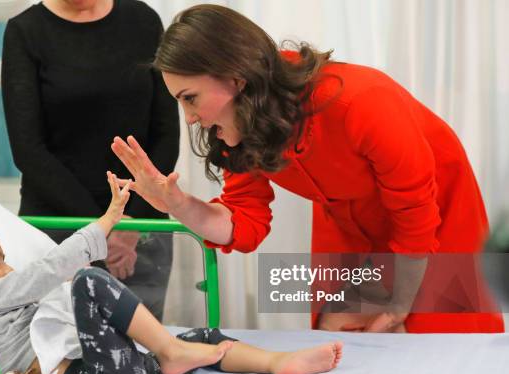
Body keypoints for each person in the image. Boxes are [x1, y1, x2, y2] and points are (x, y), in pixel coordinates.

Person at [111, 4, 504, 333]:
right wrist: (176, 203)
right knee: (340, 336)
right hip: (348, 219)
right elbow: (242, 225)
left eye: (190, 98)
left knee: (443, 344)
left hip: (435, 214)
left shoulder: (362, 101)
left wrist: (399, 306)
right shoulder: (240, 127)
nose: (191, 119)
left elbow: (415, 217)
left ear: (235, 77)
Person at [0, 172, 342, 374]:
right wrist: (108, 219)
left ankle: (276, 362)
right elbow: (43, 271)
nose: (9, 267)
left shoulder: (3, 302)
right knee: (87, 283)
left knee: (204, 337)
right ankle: (170, 353)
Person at [1, 0, 179, 320]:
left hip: (140, 225)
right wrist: (104, 227)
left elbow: (166, 133)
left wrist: (131, 221)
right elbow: (28, 148)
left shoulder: (143, 21)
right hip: (60, 229)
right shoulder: (25, 32)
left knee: (146, 357)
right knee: (65, 353)